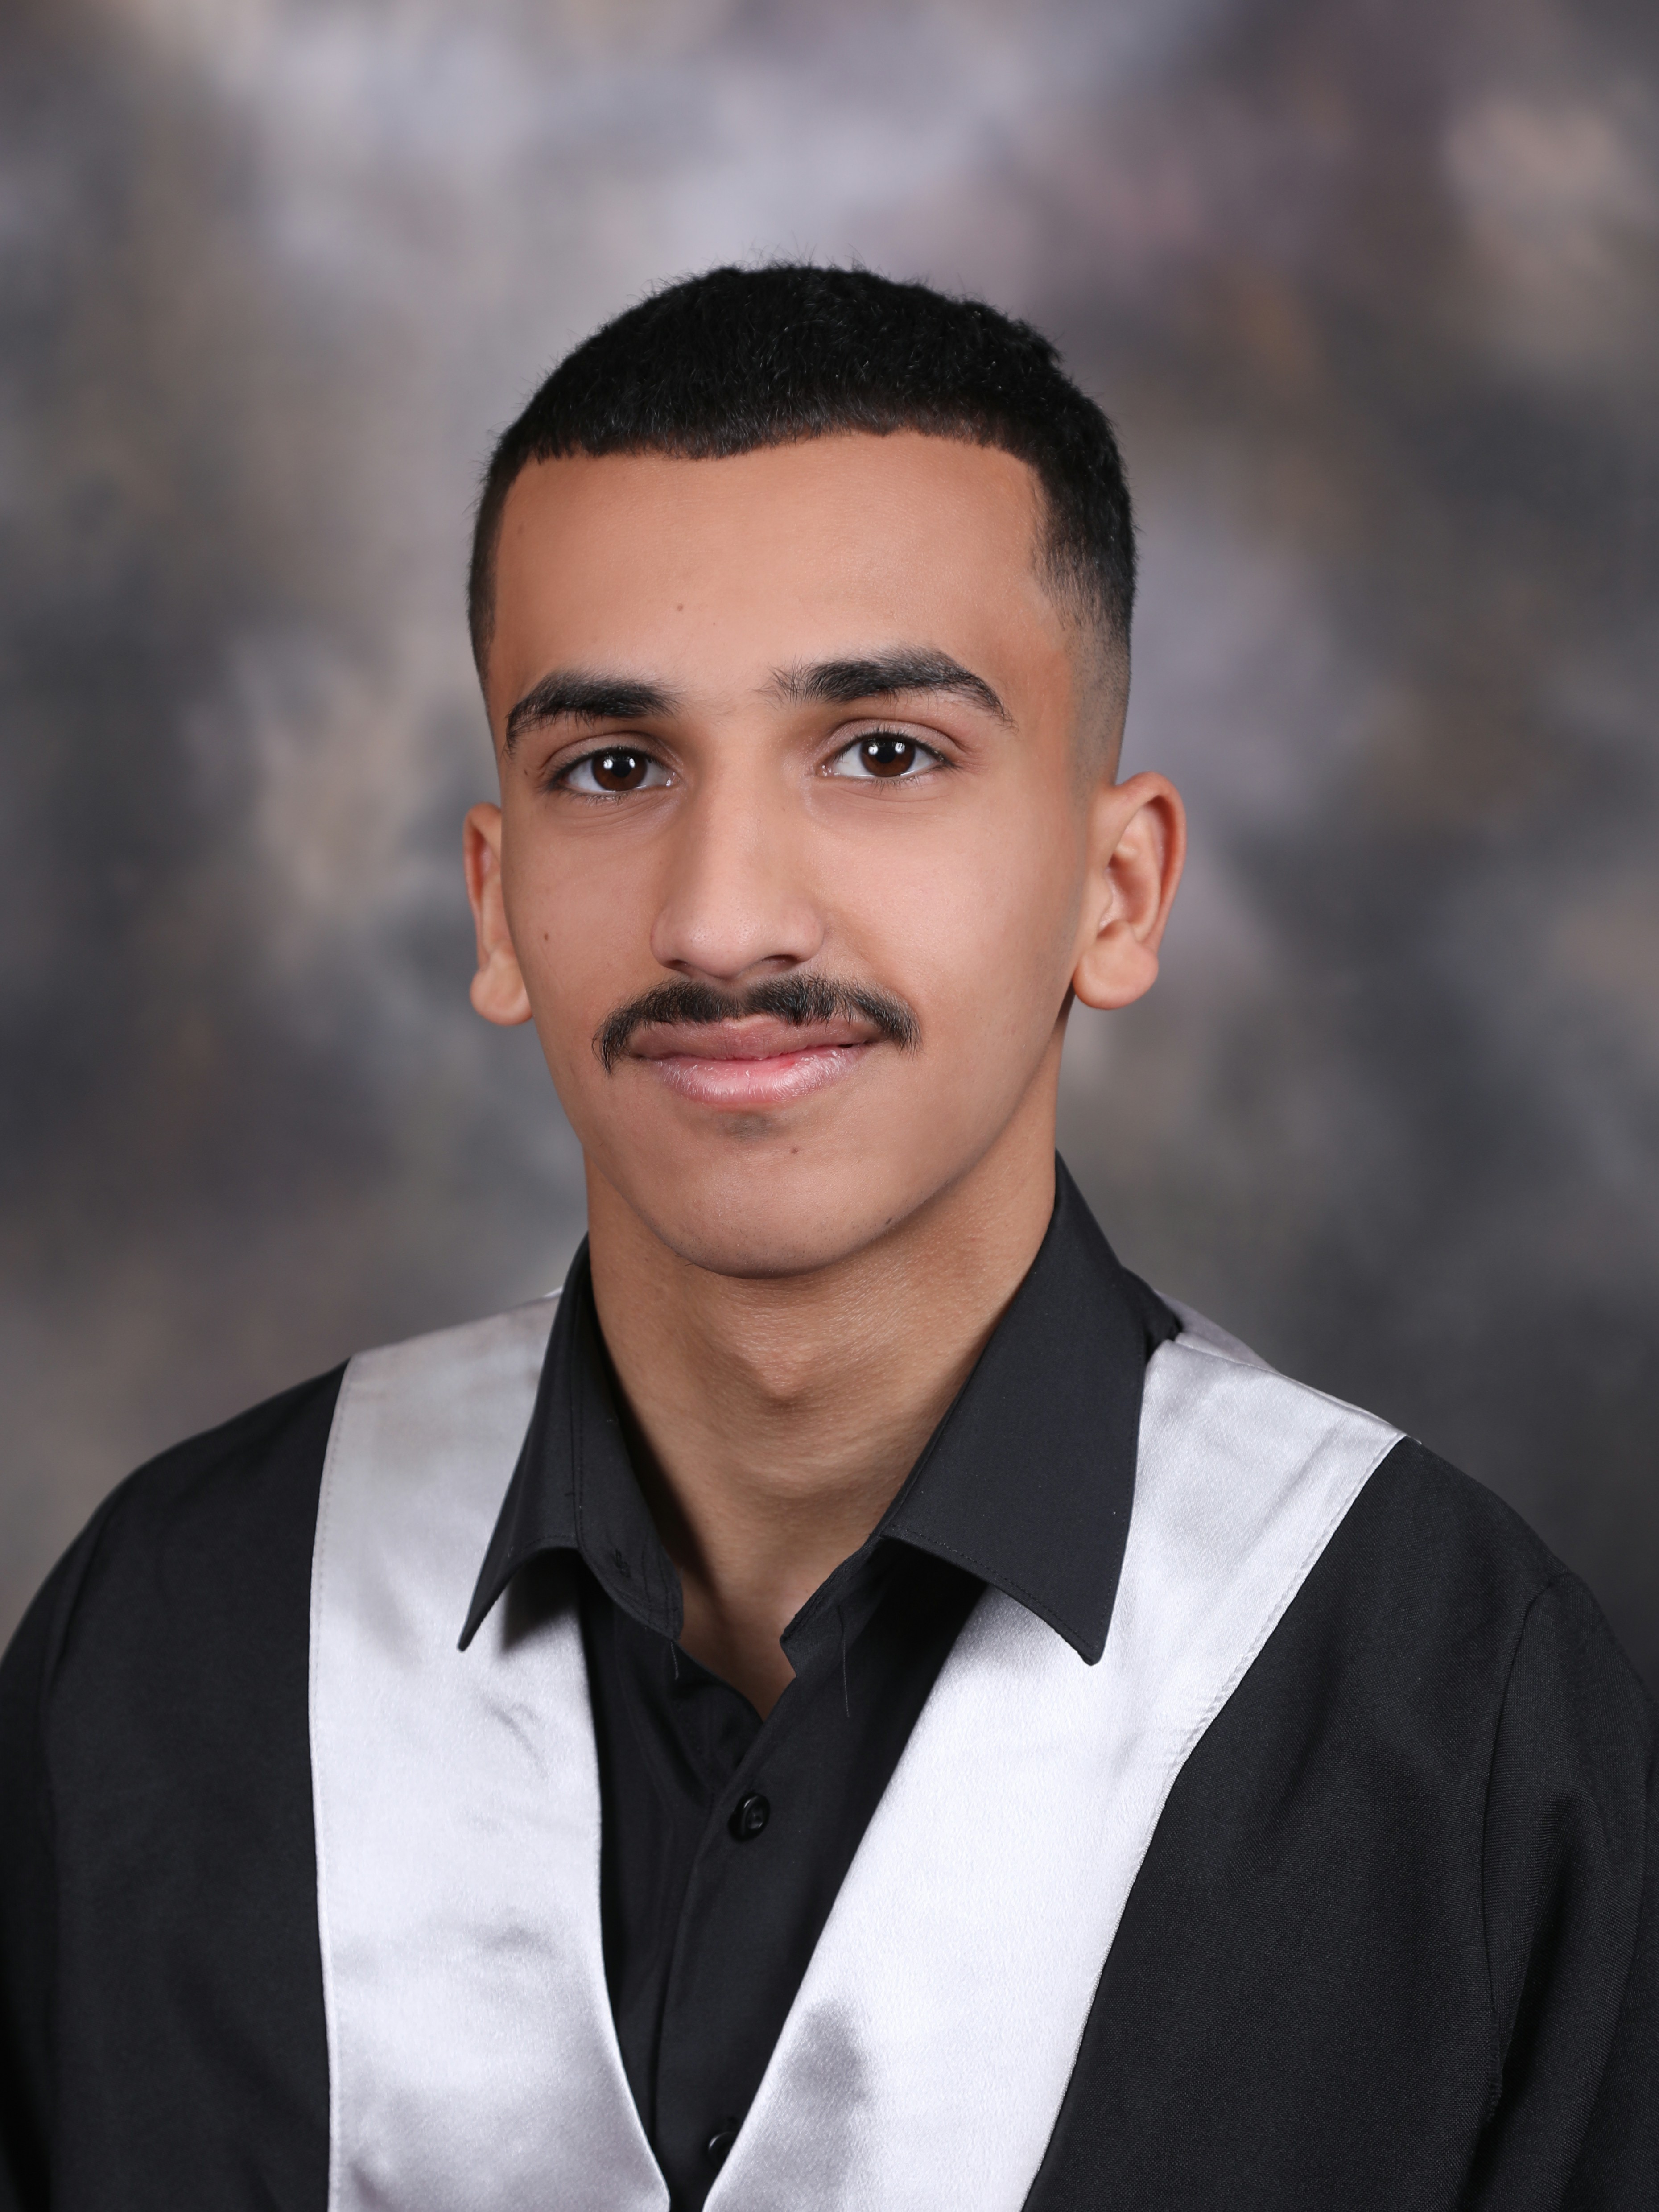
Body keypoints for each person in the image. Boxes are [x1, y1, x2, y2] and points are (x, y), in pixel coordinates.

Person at [1, 264, 1653, 2212]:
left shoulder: (1454, 1728)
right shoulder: (167, 1651)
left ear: (1118, 889)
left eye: (882, 752)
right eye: (613, 768)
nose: (723, 921)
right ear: (496, 901)